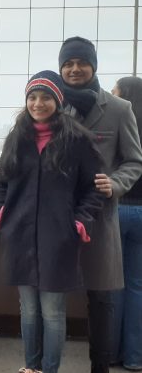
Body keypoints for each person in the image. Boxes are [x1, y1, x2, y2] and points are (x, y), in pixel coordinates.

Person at [0, 70, 104, 373]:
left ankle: (50, 369)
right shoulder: (17, 137)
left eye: (45, 97)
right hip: (20, 234)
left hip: (60, 237)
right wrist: (0, 213)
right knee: (28, 310)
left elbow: (94, 188)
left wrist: (79, 222)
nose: (38, 103)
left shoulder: (77, 139)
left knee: (53, 311)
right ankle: (31, 367)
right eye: (32, 97)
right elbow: (0, 181)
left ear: (58, 100)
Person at [58, 36, 142, 373]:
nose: (75, 69)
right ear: (61, 67)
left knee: (103, 298)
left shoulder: (119, 110)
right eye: (68, 63)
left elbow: (134, 161)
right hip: (58, 218)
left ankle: (101, 367)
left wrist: (116, 183)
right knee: (51, 297)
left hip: (102, 218)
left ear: (94, 66)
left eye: (82, 62)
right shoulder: (51, 105)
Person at [110, 76, 142, 372]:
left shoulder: (118, 122)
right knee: (137, 286)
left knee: (113, 285)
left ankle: (110, 354)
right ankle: (134, 357)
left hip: (117, 210)